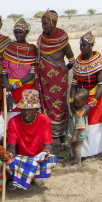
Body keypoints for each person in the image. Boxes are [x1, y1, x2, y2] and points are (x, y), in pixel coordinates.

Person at [5, 88, 58, 190]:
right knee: (8, 159)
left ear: (37, 110)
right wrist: (10, 156)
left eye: (30, 109)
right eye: (24, 109)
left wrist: (45, 153)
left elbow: (48, 144)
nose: (26, 113)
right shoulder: (13, 122)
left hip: (36, 155)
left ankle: (31, 176)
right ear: (20, 109)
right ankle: (15, 177)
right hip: (19, 156)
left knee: (51, 159)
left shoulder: (44, 119)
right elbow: (11, 147)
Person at [35, 10, 74, 142]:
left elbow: (71, 59)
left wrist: (61, 70)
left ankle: (62, 141)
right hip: (45, 82)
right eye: (42, 23)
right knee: (45, 107)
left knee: (59, 107)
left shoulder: (62, 39)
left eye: (45, 23)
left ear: (53, 23)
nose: (43, 26)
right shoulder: (42, 39)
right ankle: (47, 139)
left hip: (59, 81)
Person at [69, 32, 102, 160]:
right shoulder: (78, 62)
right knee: (79, 124)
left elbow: (101, 85)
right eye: (80, 45)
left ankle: (92, 154)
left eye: (84, 45)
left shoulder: (98, 61)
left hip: (95, 97)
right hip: (80, 97)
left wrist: (91, 104)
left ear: (91, 45)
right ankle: (80, 154)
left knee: (93, 125)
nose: (82, 47)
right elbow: (74, 83)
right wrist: (72, 100)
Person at [1, 18, 36, 116]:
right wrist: (8, 92)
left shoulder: (32, 49)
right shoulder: (9, 49)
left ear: (26, 32)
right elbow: (4, 73)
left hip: (26, 88)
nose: (17, 35)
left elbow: (32, 73)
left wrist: (16, 84)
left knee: (27, 115)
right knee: (11, 116)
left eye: (20, 32)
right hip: (10, 90)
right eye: (15, 32)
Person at [65, 88, 89, 168]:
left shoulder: (81, 113)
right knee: (73, 145)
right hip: (75, 131)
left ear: (83, 102)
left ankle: (79, 163)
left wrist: (75, 135)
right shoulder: (77, 109)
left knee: (77, 147)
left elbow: (79, 125)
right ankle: (75, 159)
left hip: (79, 132)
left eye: (77, 103)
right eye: (75, 102)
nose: (75, 104)